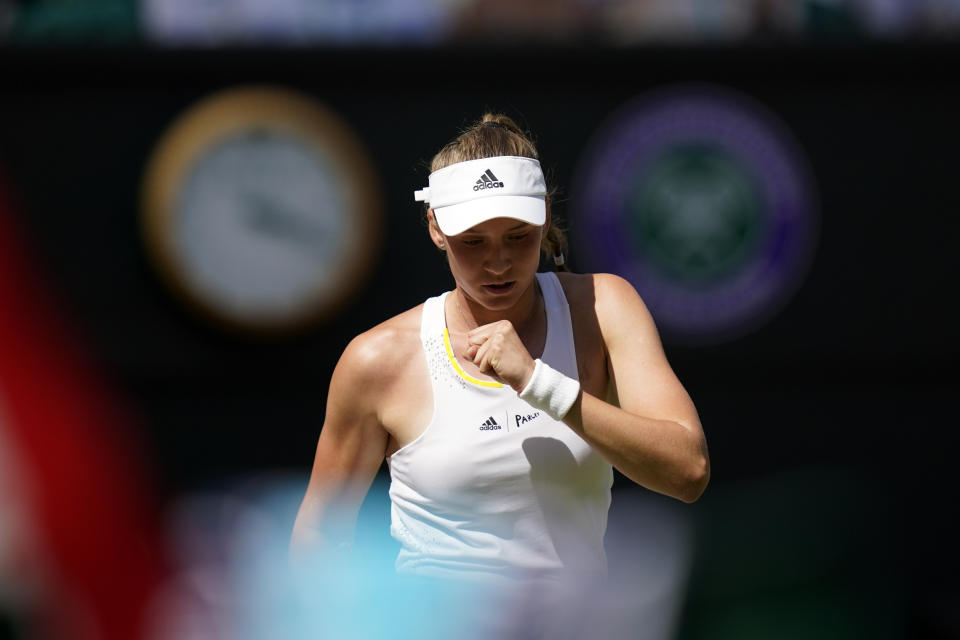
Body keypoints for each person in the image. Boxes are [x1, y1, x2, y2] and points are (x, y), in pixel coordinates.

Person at [290, 113, 710, 636]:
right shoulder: (376, 359)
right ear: (435, 228)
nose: (498, 263)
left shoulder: (605, 308)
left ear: (545, 219)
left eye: (518, 237)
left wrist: (540, 384)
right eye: (473, 242)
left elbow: (687, 471)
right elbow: (319, 539)